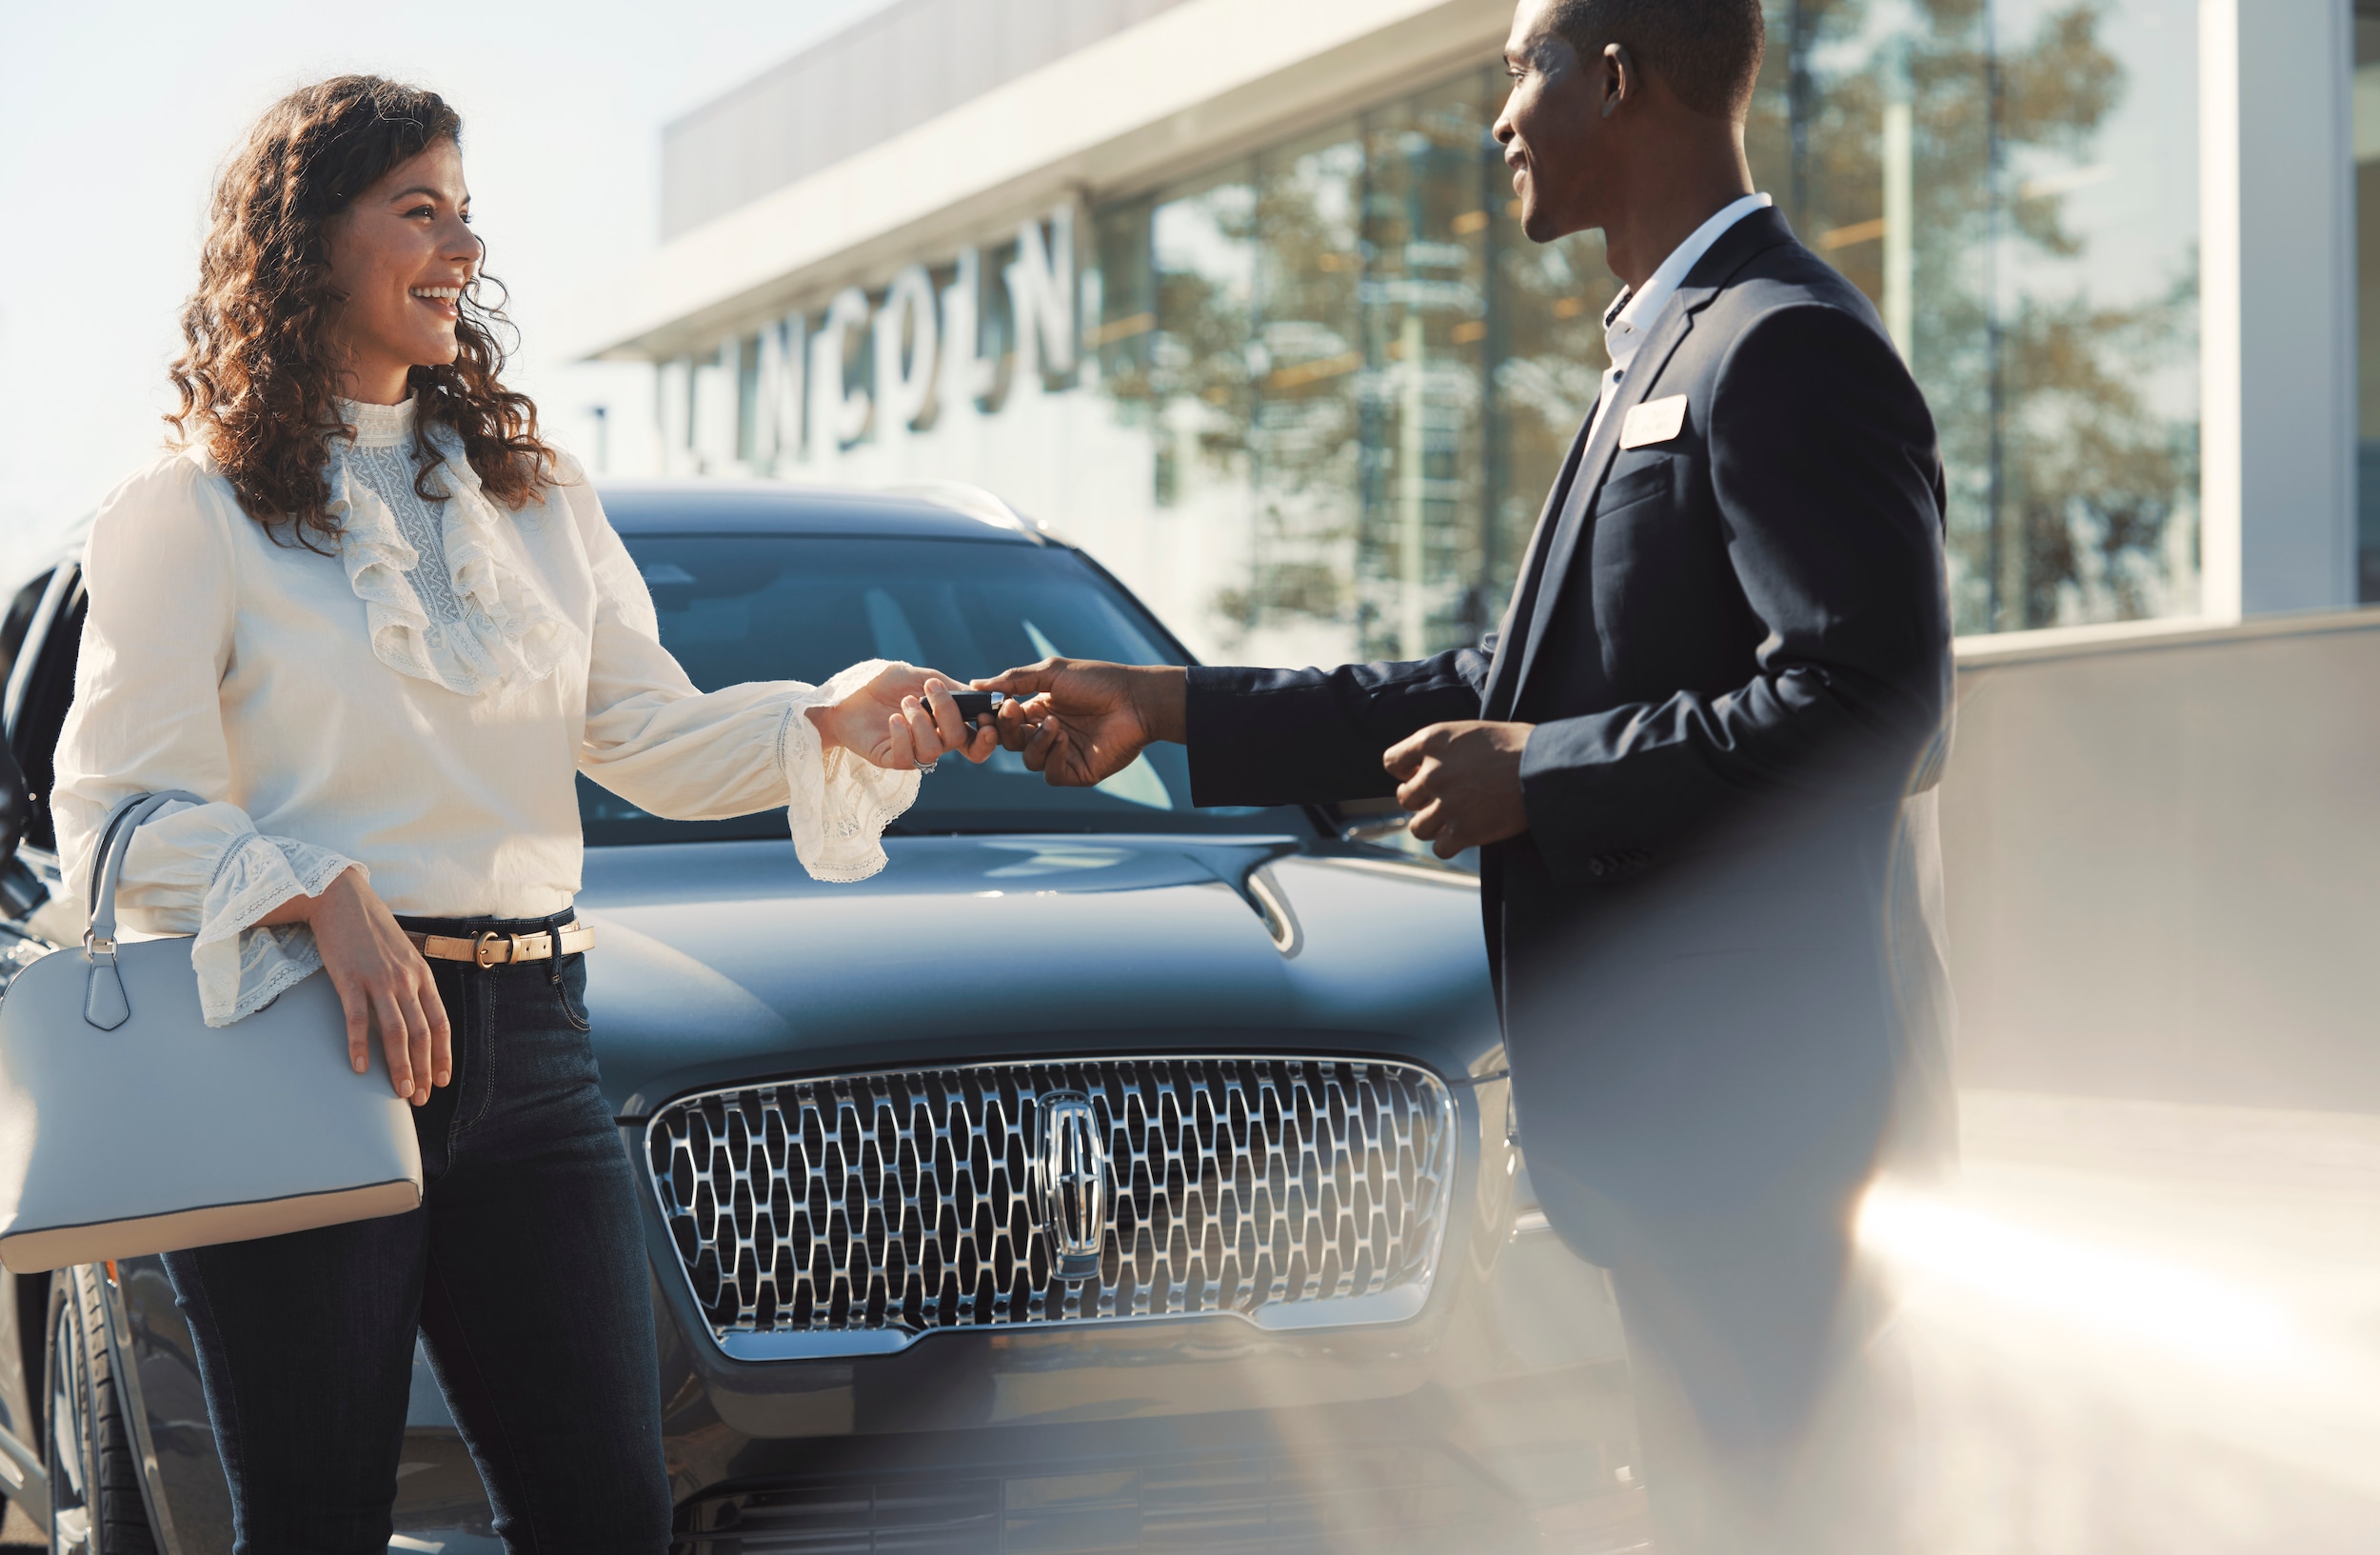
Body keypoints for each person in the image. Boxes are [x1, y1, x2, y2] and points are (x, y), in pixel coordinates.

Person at [980, 1, 1955, 1548]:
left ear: (1617, 79)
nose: (1500, 112)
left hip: (1757, 1138)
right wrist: (1164, 707)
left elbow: (1870, 698)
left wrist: (1546, 777)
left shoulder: (1783, 347)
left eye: (1524, 64)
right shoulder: (1663, 348)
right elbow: (1486, 696)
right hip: (1675, 1137)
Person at [52, 76, 998, 1554]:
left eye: (466, 215)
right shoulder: (194, 508)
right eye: (419, 210)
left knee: (609, 1516)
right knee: (313, 1524)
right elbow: (112, 810)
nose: (460, 248)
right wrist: (317, 886)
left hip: (538, 1054)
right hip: (309, 1046)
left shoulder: (533, 495)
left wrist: (830, 714)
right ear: (307, 242)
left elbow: (645, 736)